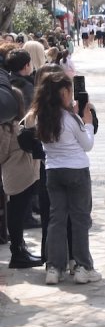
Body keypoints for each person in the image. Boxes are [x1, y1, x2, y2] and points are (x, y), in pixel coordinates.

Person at [35, 72, 100, 284]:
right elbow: (87, 144)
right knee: (80, 219)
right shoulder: (70, 119)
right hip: (76, 170)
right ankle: (82, 266)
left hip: (53, 171)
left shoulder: (41, 116)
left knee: (57, 219)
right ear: (64, 92)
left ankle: (54, 267)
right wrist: (87, 122)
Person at [0, 86, 42, 268]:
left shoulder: (14, 125)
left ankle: (21, 249)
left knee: (18, 213)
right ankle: (17, 252)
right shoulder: (8, 128)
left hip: (21, 176)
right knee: (16, 214)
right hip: (18, 177)